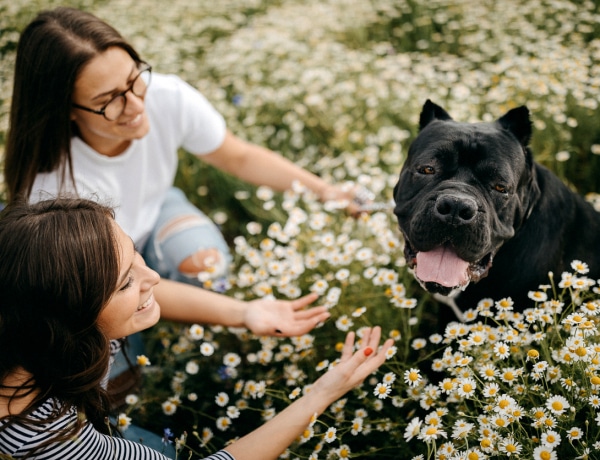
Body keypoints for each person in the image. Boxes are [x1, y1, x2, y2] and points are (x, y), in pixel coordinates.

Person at [0, 198, 393, 460]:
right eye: (125, 283)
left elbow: (143, 289)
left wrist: (245, 312)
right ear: (70, 319)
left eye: (136, 252)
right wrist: (322, 394)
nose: (153, 274)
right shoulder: (48, 438)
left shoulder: (28, 311)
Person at [4, 6, 369, 288]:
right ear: (65, 110)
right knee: (105, 346)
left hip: (156, 207)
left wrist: (326, 192)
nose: (136, 105)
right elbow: (116, 286)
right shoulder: (51, 190)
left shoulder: (166, 95)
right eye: (109, 99)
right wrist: (246, 315)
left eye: (134, 79)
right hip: (98, 267)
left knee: (207, 268)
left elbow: (238, 157)